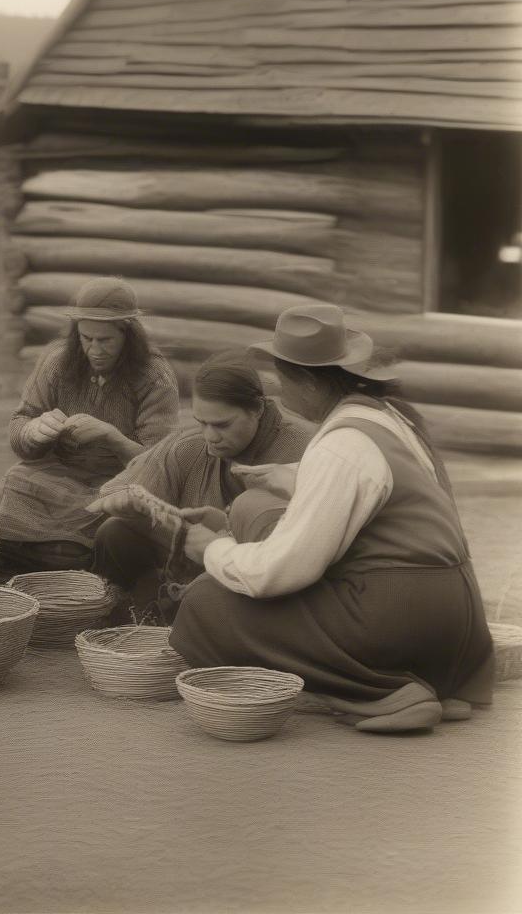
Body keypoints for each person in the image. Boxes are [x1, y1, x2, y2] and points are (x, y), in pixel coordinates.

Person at [170, 304, 494, 733]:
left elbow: (279, 573)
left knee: (206, 604)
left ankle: (379, 693)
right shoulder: (386, 418)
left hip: (400, 614)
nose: (281, 395)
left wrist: (213, 548)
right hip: (457, 622)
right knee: (253, 514)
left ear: (306, 382)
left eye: (283, 380)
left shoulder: (341, 445)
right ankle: (430, 682)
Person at [89, 354, 314, 622]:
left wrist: (224, 535)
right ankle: (128, 628)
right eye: (202, 423)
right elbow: (117, 492)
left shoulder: (308, 449)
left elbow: (310, 545)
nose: (210, 437)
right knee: (115, 532)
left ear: (258, 410)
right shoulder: (191, 446)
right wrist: (122, 502)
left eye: (222, 425)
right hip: (194, 563)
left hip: (266, 574)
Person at [0, 277, 181, 574]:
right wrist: (34, 431)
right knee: (16, 481)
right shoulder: (56, 361)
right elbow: (20, 426)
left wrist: (112, 437)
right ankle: (46, 558)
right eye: (86, 338)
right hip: (56, 475)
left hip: (116, 481)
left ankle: (63, 560)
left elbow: (162, 466)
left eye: (106, 340)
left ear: (128, 333)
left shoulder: (154, 375)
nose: (95, 349)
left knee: (114, 521)